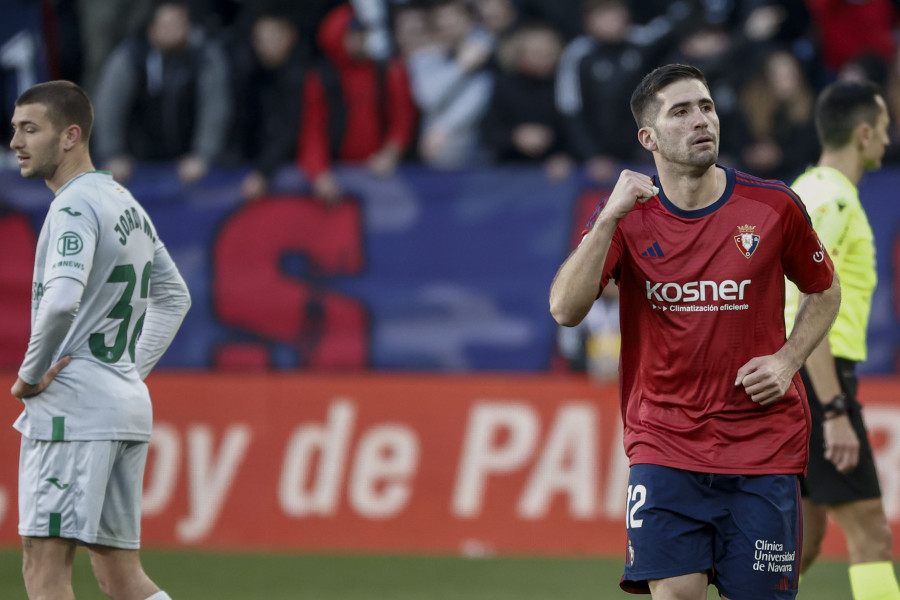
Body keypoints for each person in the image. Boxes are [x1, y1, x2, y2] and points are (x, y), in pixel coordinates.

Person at [549, 63, 841, 599]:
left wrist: (787, 360)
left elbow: (824, 289)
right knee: (675, 593)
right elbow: (565, 309)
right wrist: (608, 218)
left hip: (763, 447)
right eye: (680, 111)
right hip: (665, 443)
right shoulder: (628, 217)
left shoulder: (772, 205)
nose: (700, 119)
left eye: (705, 106)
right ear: (649, 137)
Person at [9, 80, 191, 600]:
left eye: (30, 129)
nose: (17, 142)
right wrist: (127, 371)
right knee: (120, 576)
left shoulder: (72, 207)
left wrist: (28, 375)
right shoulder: (122, 200)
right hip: (123, 406)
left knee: (43, 571)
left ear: (70, 136)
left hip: (74, 412)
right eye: (14, 130)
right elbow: (174, 296)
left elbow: (61, 300)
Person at [784, 79, 900, 600]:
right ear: (863, 133)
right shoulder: (833, 200)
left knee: (799, 545)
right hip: (817, 381)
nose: (888, 139)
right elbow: (806, 303)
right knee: (870, 531)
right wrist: (833, 408)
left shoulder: (807, 190)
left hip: (800, 378)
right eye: (885, 129)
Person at [91, 0, 232, 184]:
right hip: (139, 164)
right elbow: (108, 106)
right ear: (152, 30)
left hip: (188, 162)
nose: (174, 30)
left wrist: (203, 154)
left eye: (179, 24)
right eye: (167, 25)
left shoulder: (204, 56)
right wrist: (112, 154)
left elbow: (215, 109)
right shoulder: (131, 56)